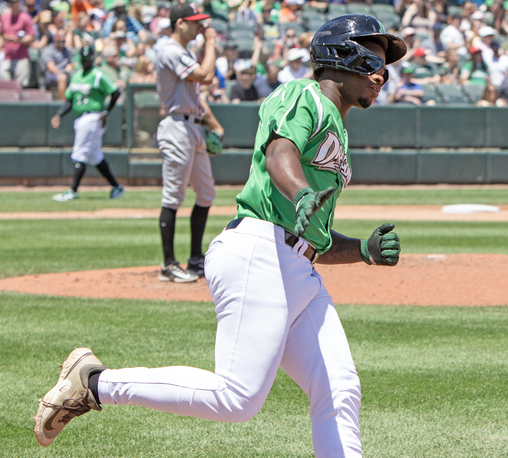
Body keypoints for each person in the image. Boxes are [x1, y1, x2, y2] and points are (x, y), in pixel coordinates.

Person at [33, 14, 404, 458]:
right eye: (372, 61)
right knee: (237, 399)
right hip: (259, 253)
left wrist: (360, 250)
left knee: (341, 388)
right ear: (340, 55)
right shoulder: (302, 95)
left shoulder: (338, 126)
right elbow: (279, 152)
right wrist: (301, 191)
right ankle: (95, 382)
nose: (381, 75)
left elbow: (314, 239)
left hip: (296, 270)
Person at [153, 3, 224, 283]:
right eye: (194, 22)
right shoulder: (169, 50)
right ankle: (168, 264)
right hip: (176, 127)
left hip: (193, 126)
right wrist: (210, 44)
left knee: (206, 193)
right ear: (179, 23)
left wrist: (213, 124)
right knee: (173, 196)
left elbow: (197, 97)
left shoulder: (182, 52)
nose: (200, 27)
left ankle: (195, 259)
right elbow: (206, 76)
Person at [49, 45, 124, 202]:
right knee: (95, 156)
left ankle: (73, 191)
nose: (85, 62)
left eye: (88, 59)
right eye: (83, 60)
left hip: (92, 117)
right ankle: (116, 187)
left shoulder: (97, 75)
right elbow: (69, 100)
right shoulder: (76, 76)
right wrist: (59, 115)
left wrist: (106, 112)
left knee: (80, 153)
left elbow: (115, 91)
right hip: (81, 117)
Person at [0, 0, 35, 87]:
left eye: (14, 2)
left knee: (20, 87)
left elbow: (32, 37)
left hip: (21, 57)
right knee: (5, 85)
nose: (11, 4)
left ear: (19, 2)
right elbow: (1, 35)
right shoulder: (4, 17)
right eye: (10, 2)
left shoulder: (25, 17)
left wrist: (17, 40)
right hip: (7, 56)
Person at [41, 30, 73, 99]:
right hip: (51, 75)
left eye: (64, 37)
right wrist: (61, 73)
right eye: (60, 37)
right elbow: (50, 67)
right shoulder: (48, 50)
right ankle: (63, 103)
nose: (62, 39)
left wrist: (70, 66)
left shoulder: (67, 51)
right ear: (55, 38)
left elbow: (71, 63)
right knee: (62, 78)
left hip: (65, 73)